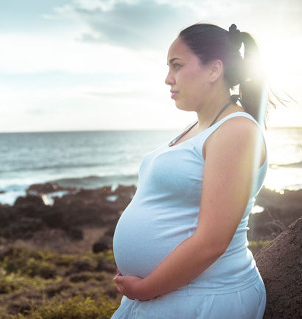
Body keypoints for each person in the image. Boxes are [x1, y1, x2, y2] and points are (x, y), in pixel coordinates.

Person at [112, 23, 269, 319]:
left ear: (214, 70)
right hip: (168, 294)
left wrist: (145, 288)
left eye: (177, 66)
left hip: (204, 299)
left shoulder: (237, 131)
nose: (167, 78)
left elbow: (212, 241)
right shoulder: (199, 129)